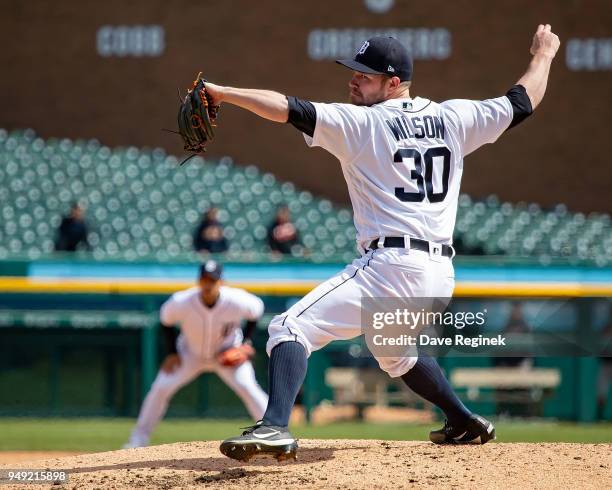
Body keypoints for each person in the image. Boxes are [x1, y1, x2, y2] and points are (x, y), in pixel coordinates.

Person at [204, 24, 560, 461]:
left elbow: (285, 107)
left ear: (394, 83)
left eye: (365, 75)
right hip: (438, 276)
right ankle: (463, 419)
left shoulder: (362, 124)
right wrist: (543, 54)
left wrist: (220, 92)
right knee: (395, 354)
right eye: (354, 71)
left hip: (391, 265)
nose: (354, 80)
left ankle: (276, 425)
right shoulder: (454, 118)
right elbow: (522, 101)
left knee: (289, 327)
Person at [123, 260, 268, 448]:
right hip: (189, 354)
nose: (208, 284)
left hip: (227, 354)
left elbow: (256, 311)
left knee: (248, 387)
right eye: (204, 280)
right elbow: (165, 319)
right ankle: (138, 440)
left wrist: (246, 343)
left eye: (212, 280)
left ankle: (272, 435)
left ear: (221, 282)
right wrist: (172, 352)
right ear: (198, 281)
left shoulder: (237, 300)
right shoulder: (181, 301)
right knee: (160, 388)